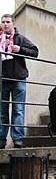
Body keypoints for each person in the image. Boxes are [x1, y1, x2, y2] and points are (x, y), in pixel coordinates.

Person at [0, 13, 38, 148]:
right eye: (3, 22)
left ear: (13, 24)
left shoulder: (20, 39)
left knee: (18, 110)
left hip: (18, 79)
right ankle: (1, 140)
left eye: (8, 22)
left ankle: (18, 140)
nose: (5, 24)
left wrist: (20, 49)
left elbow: (35, 51)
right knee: (2, 110)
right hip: (3, 79)